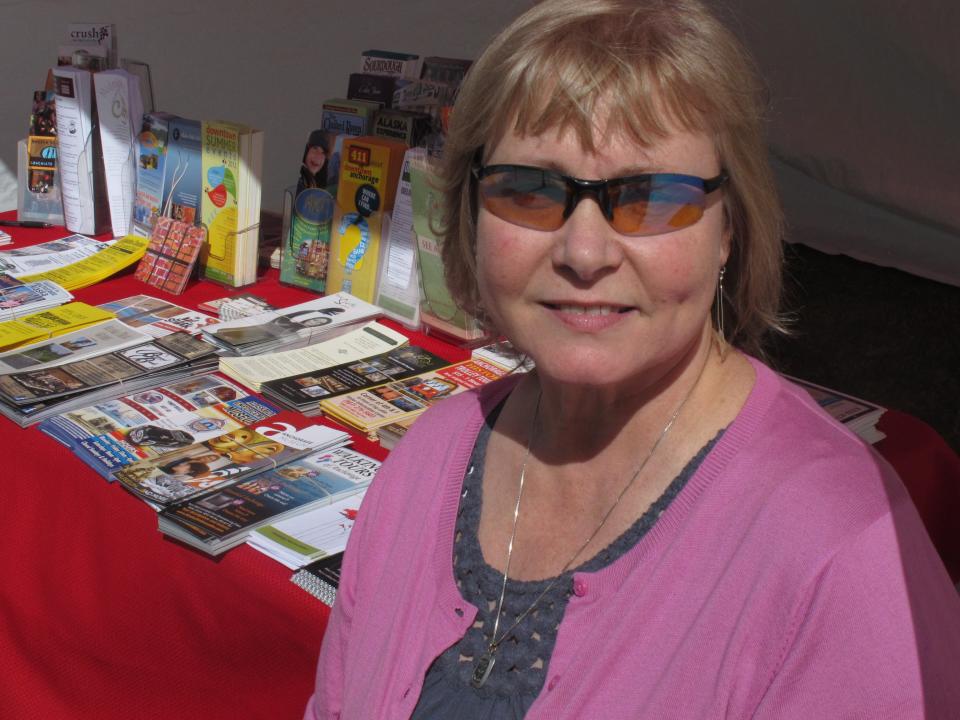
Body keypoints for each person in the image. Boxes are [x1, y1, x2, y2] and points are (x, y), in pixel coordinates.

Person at [306, 1, 960, 718]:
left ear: (730, 229)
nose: (584, 253)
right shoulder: (430, 459)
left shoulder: (842, 551)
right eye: (530, 189)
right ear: (469, 213)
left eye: (650, 196)